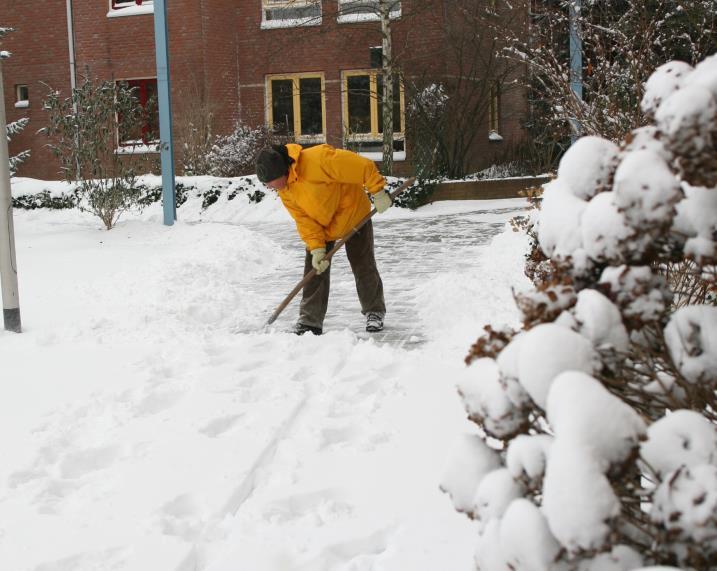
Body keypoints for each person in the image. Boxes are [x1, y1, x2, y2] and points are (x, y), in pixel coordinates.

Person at [255, 143, 392, 336]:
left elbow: (362, 166)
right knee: (314, 268)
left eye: (271, 181)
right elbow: (304, 220)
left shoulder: (318, 159)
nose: (269, 187)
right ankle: (310, 321)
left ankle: (374, 311)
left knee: (363, 264)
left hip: (353, 215)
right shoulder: (285, 190)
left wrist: (377, 191)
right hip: (324, 226)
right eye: (266, 183)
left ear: (283, 171)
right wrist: (317, 248)